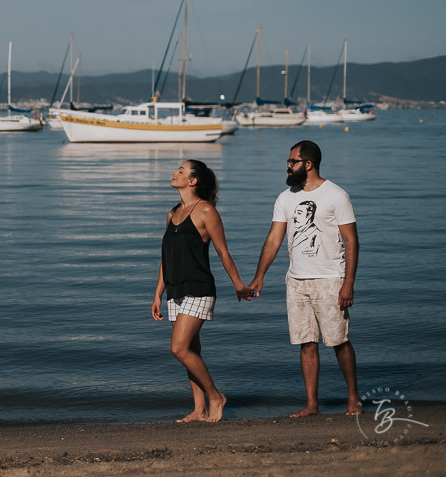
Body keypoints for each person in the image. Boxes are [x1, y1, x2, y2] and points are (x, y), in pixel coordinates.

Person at [246, 140, 362, 417]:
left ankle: (353, 397)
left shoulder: (336, 195)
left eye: (292, 161)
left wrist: (348, 283)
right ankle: (312, 404)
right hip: (296, 281)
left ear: (308, 164)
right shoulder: (285, 197)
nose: (288, 166)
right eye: (288, 161)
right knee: (306, 342)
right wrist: (259, 275)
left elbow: (352, 241)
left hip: (330, 279)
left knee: (338, 340)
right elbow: (274, 239)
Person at [152, 160, 251, 422]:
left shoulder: (206, 211)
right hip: (175, 289)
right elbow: (166, 257)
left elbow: (222, 251)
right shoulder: (171, 213)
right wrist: (157, 293)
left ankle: (216, 396)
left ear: (193, 181)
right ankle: (199, 409)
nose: (174, 173)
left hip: (198, 288)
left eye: (181, 171)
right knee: (191, 351)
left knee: (179, 348)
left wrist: (238, 285)